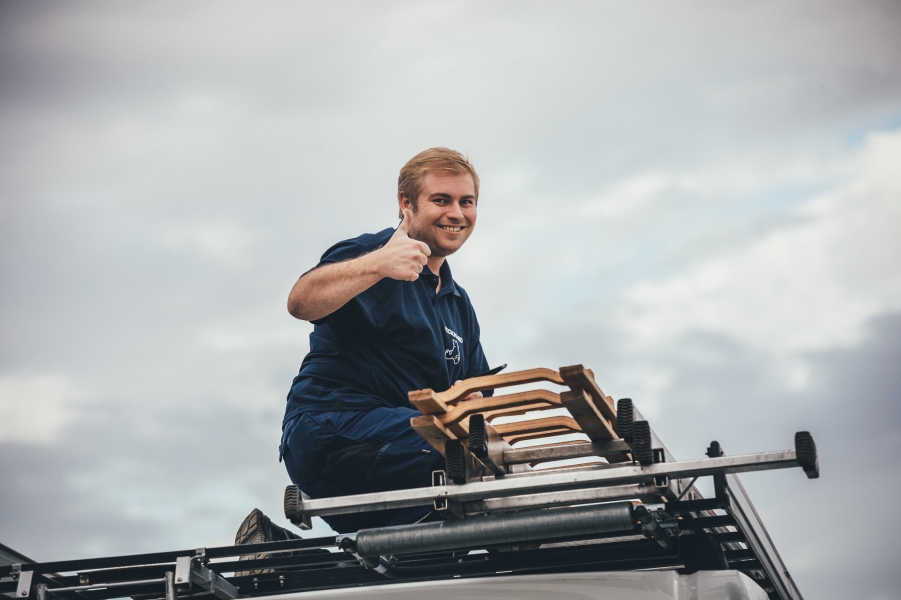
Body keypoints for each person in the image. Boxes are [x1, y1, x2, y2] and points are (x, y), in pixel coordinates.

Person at [235, 148, 491, 547]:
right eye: (441, 200)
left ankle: (276, 556)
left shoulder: (459, 306)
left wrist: (476, 400)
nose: (456, 213)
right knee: (463, 457)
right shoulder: (374, 254)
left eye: (466, 201)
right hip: (331, 430)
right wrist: (377, 265)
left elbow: (476, 393)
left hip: (404, 450)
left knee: (449, 527)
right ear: (406, 204)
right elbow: (300, 301)